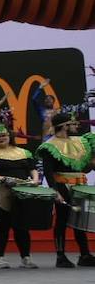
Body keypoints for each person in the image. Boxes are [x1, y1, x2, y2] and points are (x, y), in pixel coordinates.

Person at [38, 112, 94, 268]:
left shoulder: (80, 142)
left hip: (80, 185)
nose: (77, 126)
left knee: (80, 220)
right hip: (63, 185)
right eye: (73, 123)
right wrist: (55, 192)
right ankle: (60, 256)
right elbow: (49, 173)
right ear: (64, 126)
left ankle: (84, 254)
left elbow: (84, 167)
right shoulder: (50, 146)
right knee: (62, 220)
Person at [0, 125, 40, 270]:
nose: (1, 138)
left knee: (22, 226)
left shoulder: (23, 152)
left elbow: (32, 169)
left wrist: (35, 180)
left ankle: (26, 258)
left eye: (4, 136)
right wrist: (2, 179)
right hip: (2, 191)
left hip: (22, 191)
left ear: (10, 136)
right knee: (2, 225)